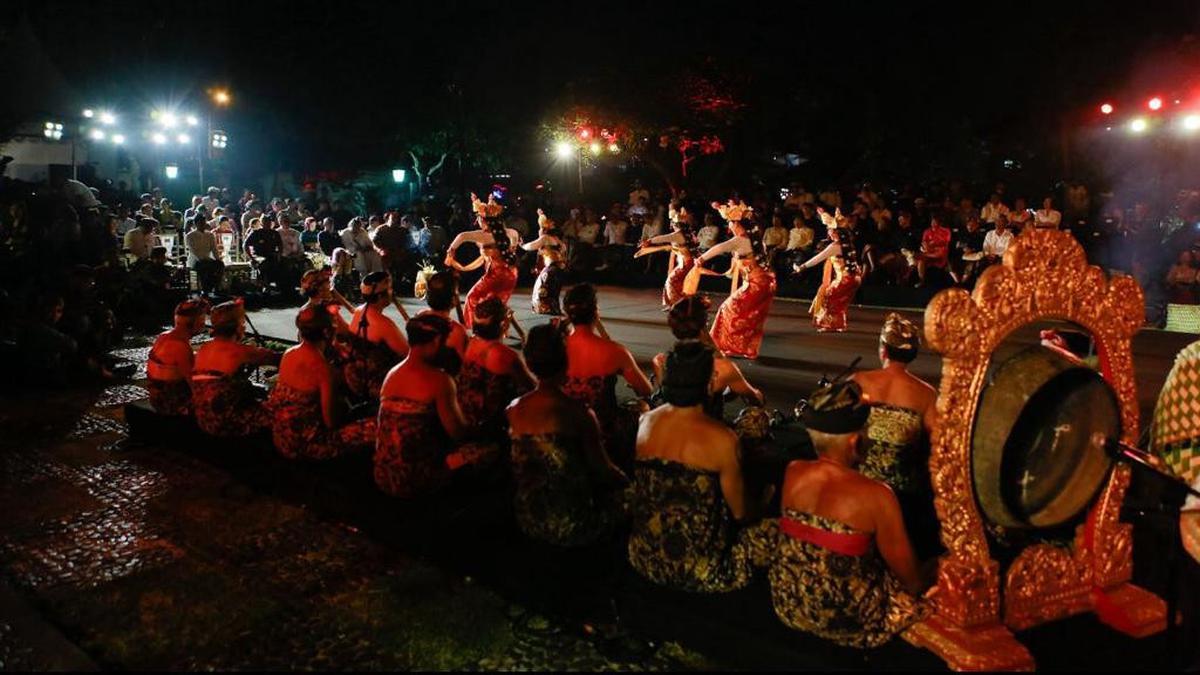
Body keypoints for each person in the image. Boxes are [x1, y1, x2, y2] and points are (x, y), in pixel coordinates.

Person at [749, 379, 929, 648]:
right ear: (856, 442)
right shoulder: (877, 495)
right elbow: (910, 580)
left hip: (789, 604)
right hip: (848, 620)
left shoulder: (794, 471)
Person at [627, 341, 759, 592]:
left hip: (645, 559)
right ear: (708, 384)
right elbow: (741, 513)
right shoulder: (722, 439)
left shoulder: (645, 422)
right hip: (702, 570)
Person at [508, 323, 628, 546]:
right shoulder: (578, 414)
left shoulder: (513, 410)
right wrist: (629, 483)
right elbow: (603, 469)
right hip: (572, 522)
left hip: (526, 516)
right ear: (565, 361)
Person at [851, 313, 940, 557]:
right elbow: (937, 443)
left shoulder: (860, 380)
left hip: (859, 481)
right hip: (902, 489)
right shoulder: (926, 394)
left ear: (883, 350)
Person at [374, 313, 473, 498]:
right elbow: (458, 433)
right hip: (417, 480)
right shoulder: (440, 380)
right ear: (436, 341)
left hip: (383, 475)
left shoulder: (392, 374)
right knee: (484, 451)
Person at [269, 305, 377, 460]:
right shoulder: (324, 370)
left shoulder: (289, 354)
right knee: (372, 425)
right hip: (304, 445)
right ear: (327, 332)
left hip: (281, 436)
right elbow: (331, 422)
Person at [561, 284, 653, 463]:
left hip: (563, 423)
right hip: (602, 429)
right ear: (596, 311)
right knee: (643, 406)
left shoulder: (556, 347)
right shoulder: (615, 352)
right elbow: (645, 390)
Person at [652, 296, 764, 420]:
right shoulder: (723, 368)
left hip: (669, 430)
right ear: (703, 324)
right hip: (707, 433)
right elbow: (753, 399)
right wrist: (759, 396)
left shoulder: (660, 362)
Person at [191, 300, 281, 437]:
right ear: (237, 327)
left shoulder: (204, 349)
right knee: (281, 413)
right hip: (226, 422)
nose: (244, 327)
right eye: (243, 323)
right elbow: (279, 359)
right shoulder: (241, 352)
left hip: (203, 416)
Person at [457, 297, 534, 438]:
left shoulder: (470, 343)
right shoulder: (505, 355)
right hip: (491, 427)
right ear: (504, 324)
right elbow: (531, 387)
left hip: (464, 416)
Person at [443, 193, 521, 328]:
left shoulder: (484, 236)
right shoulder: (511, 232)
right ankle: (495, 326)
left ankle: (475, 328)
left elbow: (462, 236)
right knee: (495, 303)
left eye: (478, 218)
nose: (478, 222)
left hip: (496, 274)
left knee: (472, 298)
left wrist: (451, 250)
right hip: (512, 273)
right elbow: (514, 245)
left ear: (484, 220)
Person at [707, 216, 776, 360]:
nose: (730, 226)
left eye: (732, 223)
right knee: (743, 315)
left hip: (756, 283)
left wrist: (700, 259)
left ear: (740, 225)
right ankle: (740, 346)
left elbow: (719, 248)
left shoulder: (740, 240)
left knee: (729, 310)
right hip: (761, 282)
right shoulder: (754, 239)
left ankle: (734, 346)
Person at [345, 271, 409, 402]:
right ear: (380, 297)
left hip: (353, 375)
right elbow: (407, 353)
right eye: (390, 289)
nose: (392, 293)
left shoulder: (358, 311)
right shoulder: (384, 324)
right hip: (372, 382)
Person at [795, 209, 861, 332]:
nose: (829, 233)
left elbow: (818, 258)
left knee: (828, 297)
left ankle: (831, 325)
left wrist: (802, 267)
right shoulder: (848, 243)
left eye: (831, 231)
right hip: (855, 278)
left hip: (845, 278)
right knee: (839, 302)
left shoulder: (835, 246)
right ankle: (839, 325)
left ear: (836, 233)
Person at [637, 214, 698, 309]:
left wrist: (649, 241)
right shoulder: (686, 234)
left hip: (686, 264)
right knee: (676, 282)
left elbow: (663, 238)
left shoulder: (678, 235)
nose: (672, 225)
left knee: (671, 281)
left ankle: (677, 304)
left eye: (673, 223)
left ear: (676, 225)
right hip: (686, 262)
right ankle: (676, 303)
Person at [522, 209, 567, 315]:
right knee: (553, 290)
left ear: (544, 229)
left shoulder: (545, 238)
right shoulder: (557, 239)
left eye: (540, 228)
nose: (539, 231)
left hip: (552, 268)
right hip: (560, 268)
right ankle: (553, 309)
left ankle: (545, 308)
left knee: (542, 287)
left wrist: (522, 245)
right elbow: (564, 249)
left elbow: (531, 246)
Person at [418, 271, 469, 360]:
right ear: (453, 299)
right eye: (457, 292)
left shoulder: (418, 319)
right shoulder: (456, 331)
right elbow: (462, 364)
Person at [185, 217, 224, 294]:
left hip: (207, 259)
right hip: (195, 260)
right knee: (204, 266)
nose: (203, 224)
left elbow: (214, 249)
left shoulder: (210, 235)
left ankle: (216, 287)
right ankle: (205, 289)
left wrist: (218, 259)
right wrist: (203, 259)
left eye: (204, 222)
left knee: (220, 265)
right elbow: (194, 251)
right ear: (195, 224)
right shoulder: (190, 236)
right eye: (200, 223)